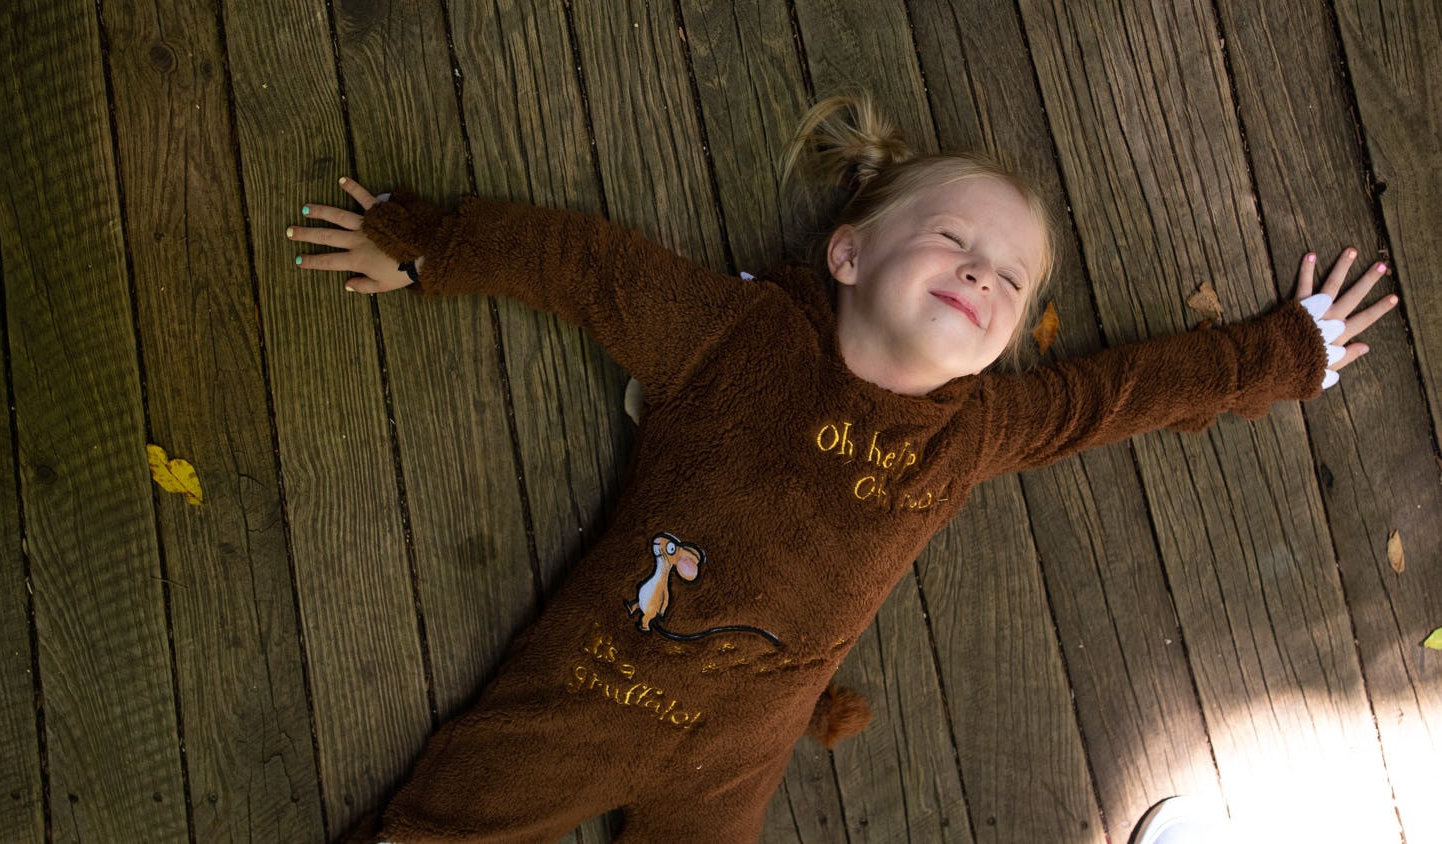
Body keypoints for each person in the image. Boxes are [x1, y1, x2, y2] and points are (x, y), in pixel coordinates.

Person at [288, 93, 1397, 843]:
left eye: (1011, 280)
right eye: (956, 239)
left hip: (738, 756)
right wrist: (430, 243)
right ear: (850, 252)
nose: (984, 274)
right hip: (594, 690)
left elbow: (1121, 396)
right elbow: (591, 267)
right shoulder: (737, 337)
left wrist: (1285, 351)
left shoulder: (977, 428)